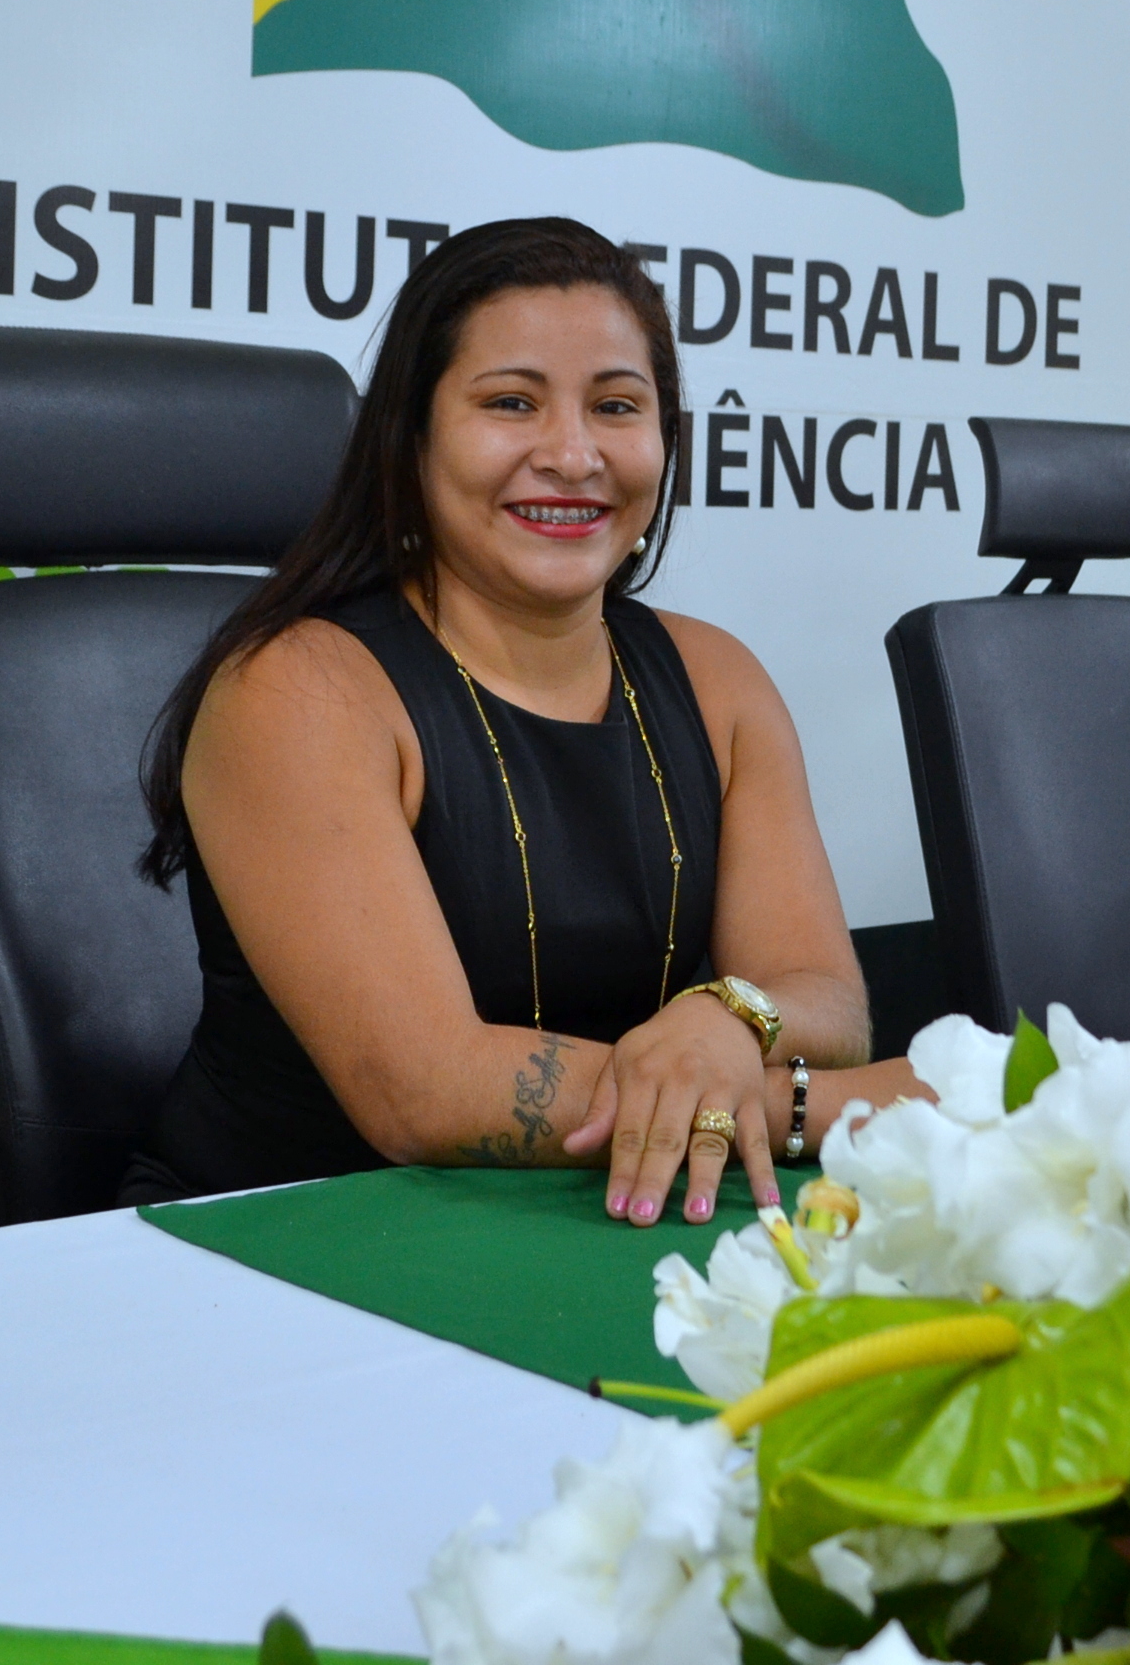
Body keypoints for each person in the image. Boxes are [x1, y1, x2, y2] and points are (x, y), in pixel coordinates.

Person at [122, 217, 929, 1223]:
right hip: (279, 1233)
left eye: (617, 406)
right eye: (511, 402)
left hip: (598, 1219)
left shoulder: (718, 678)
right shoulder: (297, 689)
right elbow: (427, 1092)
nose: (574, 454)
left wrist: (728, 1016)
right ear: (412, 438)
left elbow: (825, 996)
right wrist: (845, 1108)